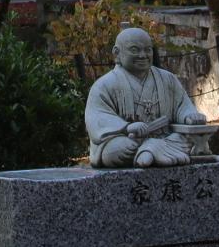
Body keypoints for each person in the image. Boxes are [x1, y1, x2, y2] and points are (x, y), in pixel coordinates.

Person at [84, 26, 207, 167]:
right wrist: (127, 127)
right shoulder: (105, 85)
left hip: (165, 137)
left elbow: (182, 105)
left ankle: (150, 150)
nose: (143, 55)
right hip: (131, 140)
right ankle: (153, 150)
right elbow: (97, 117)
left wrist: (190, 115)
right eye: (135, 50)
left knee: (190, 139)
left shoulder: (167, 79)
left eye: (148, 50)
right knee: (115, 150)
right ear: (116, 53)